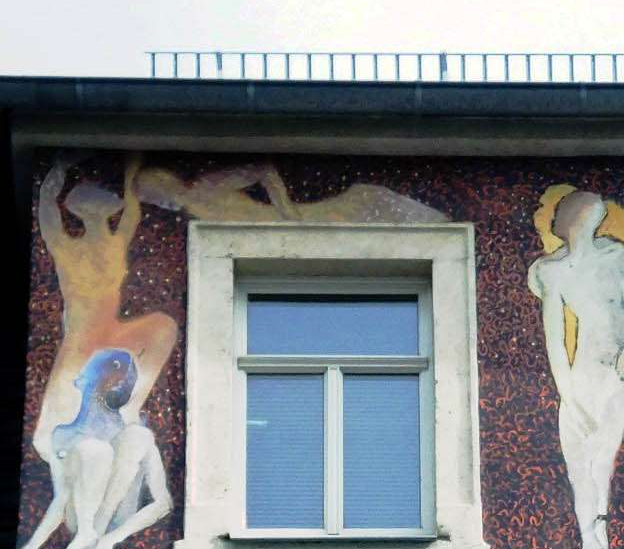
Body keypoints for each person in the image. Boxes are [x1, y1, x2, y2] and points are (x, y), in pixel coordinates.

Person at [529, 188, 624, 549]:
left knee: (601, 465)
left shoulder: (616, 257)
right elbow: (554, 338)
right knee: (579, 469)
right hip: (580, 376)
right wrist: (568, 395)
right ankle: (591, 548)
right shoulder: (551, 270)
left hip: (611, 373)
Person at [30, 153, 178, 465]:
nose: (99, 215)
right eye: (93, 209)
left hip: (113, 333)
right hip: (83, 339)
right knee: (48, 436)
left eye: (102, 209)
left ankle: (131, 404)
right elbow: (48, 212)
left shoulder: (115, 242)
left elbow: (132, 207)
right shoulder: (69, 247)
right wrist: (57, 171)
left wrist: (133, 165)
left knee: (164, 326)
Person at [15, 349, 172, 549]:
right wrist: (32, 547)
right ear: (83, 380)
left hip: (115, 517)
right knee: (94, 449)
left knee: (136, 436)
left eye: (122, 381)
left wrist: (112, 539)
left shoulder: (132, 435)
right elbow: (62, 497)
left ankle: (93, 539)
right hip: (79, 518)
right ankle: (87, 535)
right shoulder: (62, 435)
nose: (117, 382)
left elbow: (163, 503)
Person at [134, 163, 447, 223]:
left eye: (157, 195)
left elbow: (264, 170)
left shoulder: (205, 188)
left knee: (363, 207)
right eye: (154, 202)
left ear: (167, 182)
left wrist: (288, 213)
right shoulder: (195, 214)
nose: (162, 204)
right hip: (276, 234)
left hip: (291, 223)